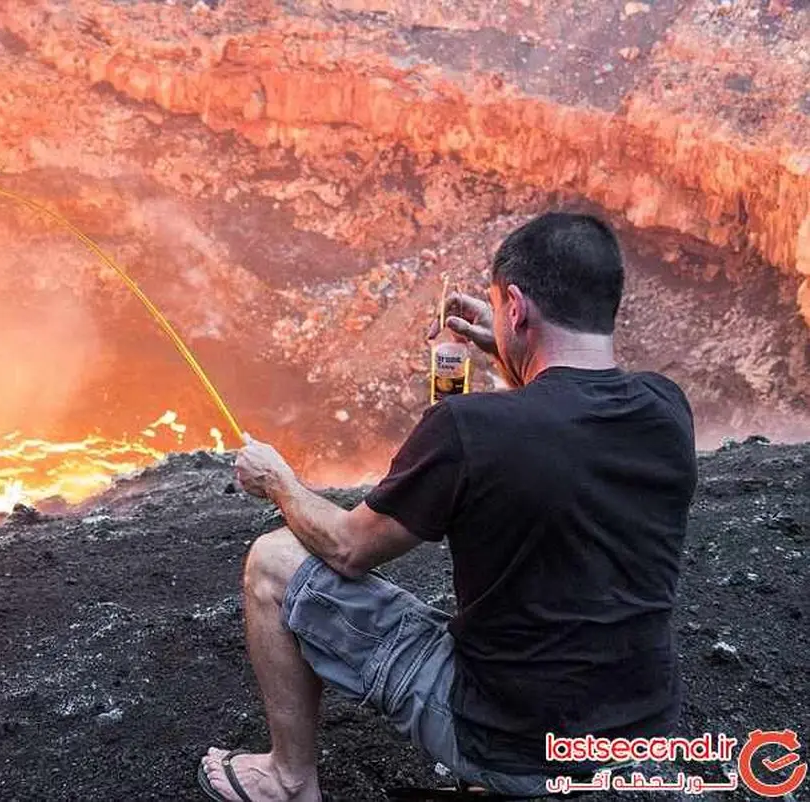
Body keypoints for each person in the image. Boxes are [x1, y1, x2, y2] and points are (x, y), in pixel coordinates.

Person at [196, 212, 698, 802]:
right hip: (638, 740)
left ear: (516, 307)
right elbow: (566, 422)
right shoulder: (668, 409)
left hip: (510, 744)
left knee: (274, 560)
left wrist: (279, 482)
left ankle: (286, 779)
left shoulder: (468, 428)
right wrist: (508, 348)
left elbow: (350, 548)